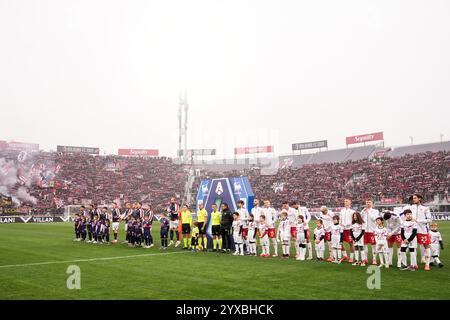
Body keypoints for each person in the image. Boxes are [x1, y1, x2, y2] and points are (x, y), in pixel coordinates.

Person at [407, 194, 432, 271]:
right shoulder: (411, 207)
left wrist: (418, 221)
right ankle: (414, 264)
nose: (413, 199)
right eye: (413, 198)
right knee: (413, 248)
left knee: (426, 246)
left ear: (419, 199)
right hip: (412, 231)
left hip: (422, 231)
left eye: (415, 198)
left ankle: (427, 264)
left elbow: (429, 220)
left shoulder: (425, 208)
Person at [360, 199, 381, 265]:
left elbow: (374, 219)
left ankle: (374, 259)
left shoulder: (375, 211)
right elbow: (360, 218)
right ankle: (365, 258)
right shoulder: (363, 210)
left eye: (369, 202)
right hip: (364, 230)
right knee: (364, 246)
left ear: (372, 204)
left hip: (372, 231)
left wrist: (368, 212)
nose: (368, 203)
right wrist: (363, 211)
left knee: (374, 246)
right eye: (367, 202)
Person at [339, 198, 355, 263]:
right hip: (342, 229)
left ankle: (351, 257)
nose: (345, 202)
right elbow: (340, 219)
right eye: (345, 201)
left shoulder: (352, 211)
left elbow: (353, 220)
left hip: (349, 229)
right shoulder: (342, 211)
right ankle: (345, 256)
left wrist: (347, 224)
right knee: (341, 243)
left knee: (351, 243)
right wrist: (340, 224)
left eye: (347, 201)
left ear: (350, 203)